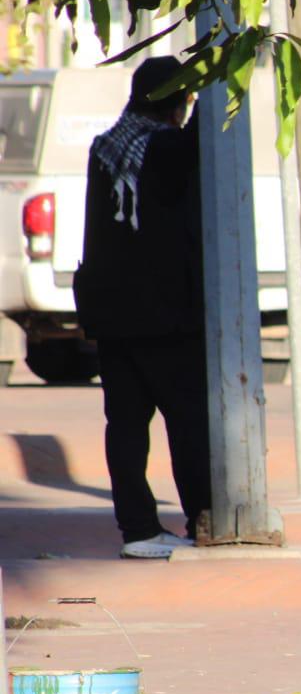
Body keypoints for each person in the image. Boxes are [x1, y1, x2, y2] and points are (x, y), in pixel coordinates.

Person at [73, 57, 211, 559]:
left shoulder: (105, 147)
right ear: (173, 104)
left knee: (126, 425)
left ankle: (138, 529)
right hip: (164, 316)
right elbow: (200, 138)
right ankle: (203, 518)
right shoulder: (166, 148)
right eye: (185, 100)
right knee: (189, 422)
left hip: (111, 313)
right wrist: (222, 72)